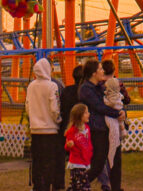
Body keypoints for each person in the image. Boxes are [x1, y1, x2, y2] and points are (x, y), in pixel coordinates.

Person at [78, 59, 125, 191]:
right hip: (98, 129)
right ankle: (79, 184)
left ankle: (116, 187)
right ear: (93, 73)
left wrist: (120, 111)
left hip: (108, 129)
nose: (103, 71)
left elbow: (113, 100)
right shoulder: (86, 89)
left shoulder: (100, 87)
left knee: (115, 160)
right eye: (100, 69)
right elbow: (99, 107)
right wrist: (117, 113)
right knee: (98, 163)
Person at [26, 58, 63, 191]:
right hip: (50, 129)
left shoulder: (31, 86)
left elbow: (28, 107)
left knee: (38, 162)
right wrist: (58, 120)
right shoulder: (51, 86)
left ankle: (38, 186)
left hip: (35, 129)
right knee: (49, 162)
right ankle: (47, 185)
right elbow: (54, 108)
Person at [64, 103, 93, 191]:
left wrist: (90, 153)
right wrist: (69, 145)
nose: (89, 114)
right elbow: (67, 146)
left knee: (76, 185)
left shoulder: (87, 128)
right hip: (77, 163)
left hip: (85, 160)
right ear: (79, 115)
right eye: (86, 112)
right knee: (83, 185)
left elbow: (88, 143)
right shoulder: (72, 131)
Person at [102, 78, 125, 178]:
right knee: (117, 126)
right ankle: (123, 129)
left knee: (113, 134)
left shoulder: (110, 97)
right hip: (116, 117)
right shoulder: (118, 95)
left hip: (112, 118)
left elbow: (108, 103)